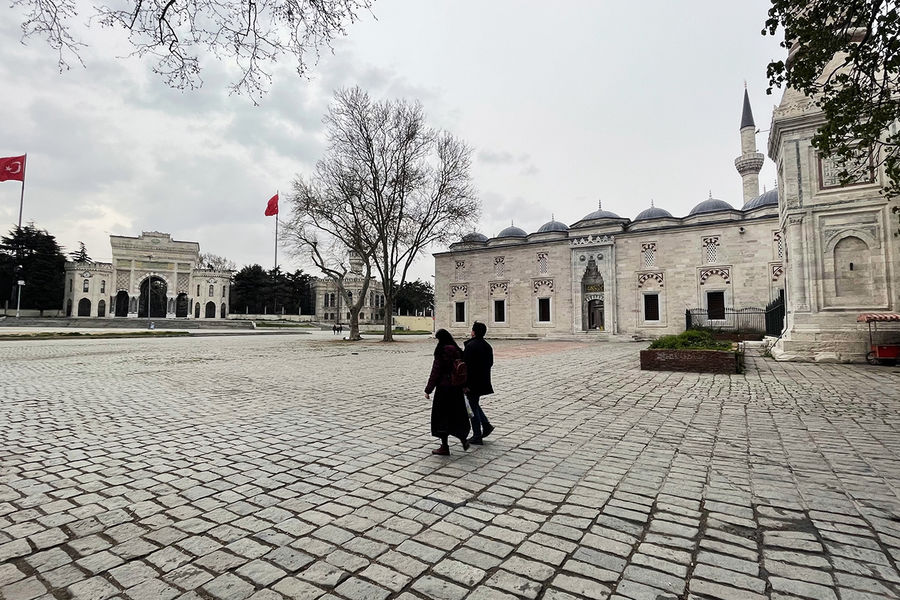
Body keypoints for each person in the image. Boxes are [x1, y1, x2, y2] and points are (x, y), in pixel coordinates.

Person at [425, 329, 471, 455]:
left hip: (444, 388)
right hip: (456, 387)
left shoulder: (441, 351)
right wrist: (464, 386)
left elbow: (436, 372)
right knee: (457, 414)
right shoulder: (457, 350)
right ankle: (463, 438)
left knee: (441, 417)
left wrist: (428, 390)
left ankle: (444, 446)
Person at [463, 321, 495, 444]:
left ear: (474, 332)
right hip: (483, 380)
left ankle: (477, 435)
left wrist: (465, 384)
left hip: (472, 382)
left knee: (472, 408)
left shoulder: (471, 346)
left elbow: (466, 367)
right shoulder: (487, 346)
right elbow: (490, 363)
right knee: (474, 404)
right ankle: (486, 425)